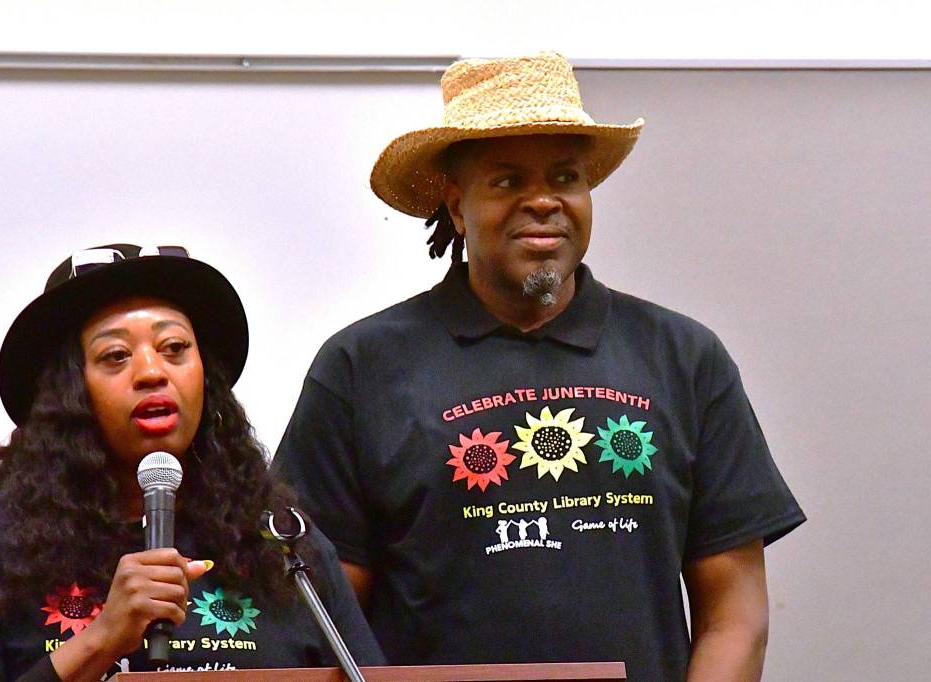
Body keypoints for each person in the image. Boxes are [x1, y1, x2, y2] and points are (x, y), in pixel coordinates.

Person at [273, 52, 806, 680]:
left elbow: (735, 614)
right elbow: (324, 621)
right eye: (506, 182)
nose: (543, 202)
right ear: (454, 205)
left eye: (565, 177)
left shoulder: (683, 357)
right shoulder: (361, 368)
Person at [0, 244, 383, 680]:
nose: (152, 372)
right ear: (69, 394)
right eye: (116, 355)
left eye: (175, 348)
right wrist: (102, 638)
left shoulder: (276, 539)